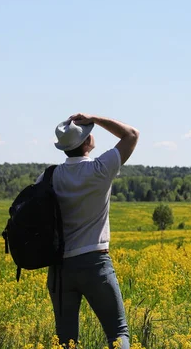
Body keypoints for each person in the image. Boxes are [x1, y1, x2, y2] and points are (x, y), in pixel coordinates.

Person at [40, 113, 139, 348]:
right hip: (95, 265)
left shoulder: (49, 176)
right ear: (86, 144)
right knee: (118, 332)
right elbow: (131, 135)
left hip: (60, 269)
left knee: (66, 341)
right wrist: (94, 117)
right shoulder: (100, 170)